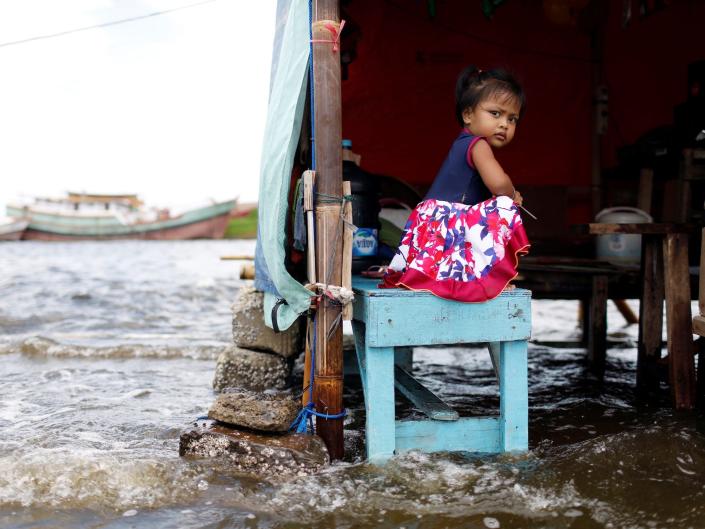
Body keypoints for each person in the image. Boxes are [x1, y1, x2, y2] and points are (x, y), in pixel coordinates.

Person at [379, 65, 530, 302]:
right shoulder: (478, 144)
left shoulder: (463, 143)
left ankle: (465, 278)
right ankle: (489, 278)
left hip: (432, 223)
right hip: (446, 221)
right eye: (495, 113)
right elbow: (499, 185)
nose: (504, 124)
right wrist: (512, 195)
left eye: (512, 119)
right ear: (468, 114)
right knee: (503, 206)